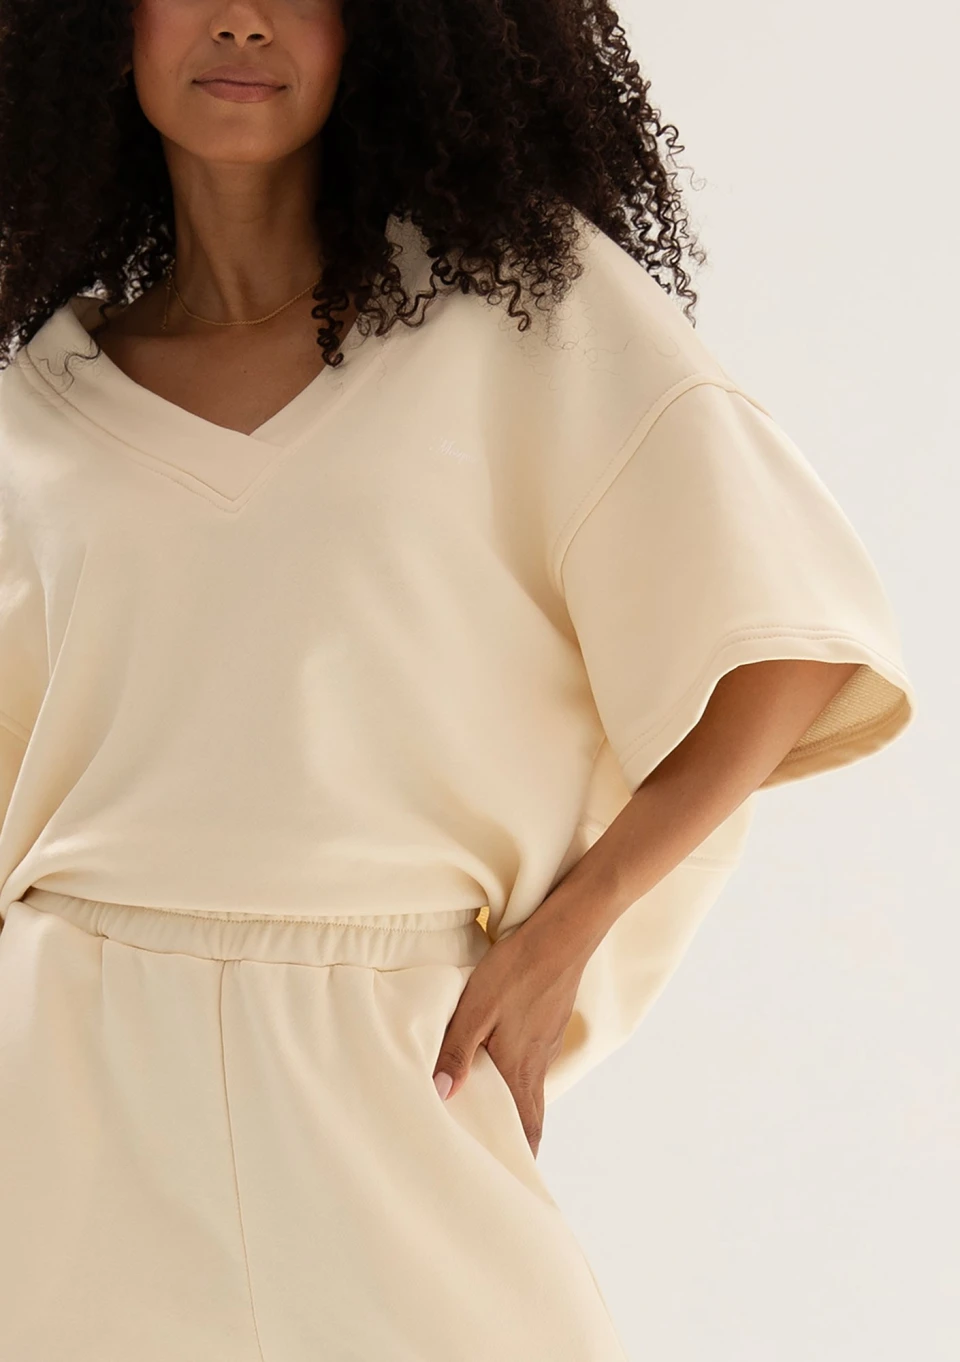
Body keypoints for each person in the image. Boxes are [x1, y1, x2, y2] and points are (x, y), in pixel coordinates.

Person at [0, 1, 916, 1358]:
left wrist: (569, 932)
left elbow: (786, 637)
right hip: (65, 1081)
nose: (242, 20)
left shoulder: (523, 319)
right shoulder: (35, 402)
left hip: (397, 1054)